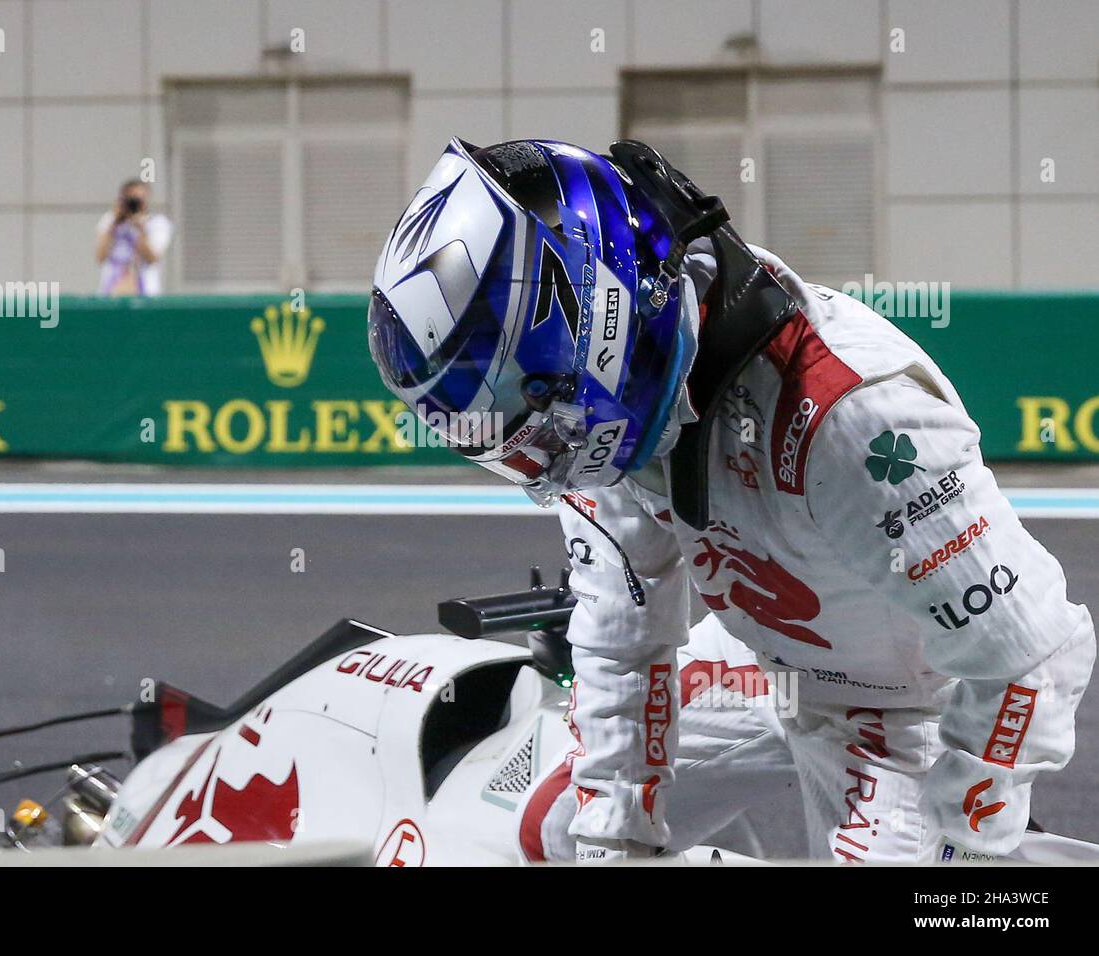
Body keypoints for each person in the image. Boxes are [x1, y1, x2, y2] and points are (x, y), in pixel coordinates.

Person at [366, 137, 1095, 863]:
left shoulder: (853, 415)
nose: (525, 442)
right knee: (560, 835)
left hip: (907, 711)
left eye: (519, 391)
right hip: (761, 666)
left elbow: (1034, 651)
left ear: (601, 316)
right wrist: (614, 839)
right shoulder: (608, 417)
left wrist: (971, 829)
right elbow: (622, 642)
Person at [95, 179, 172, 296]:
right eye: (131, 199)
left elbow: (152, 258)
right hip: (112, 291)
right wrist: (115, 223)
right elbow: (100, 257)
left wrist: (139, 228)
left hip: (146, 291)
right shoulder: (110, 221)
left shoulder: (158, 223)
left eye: (139, 199)